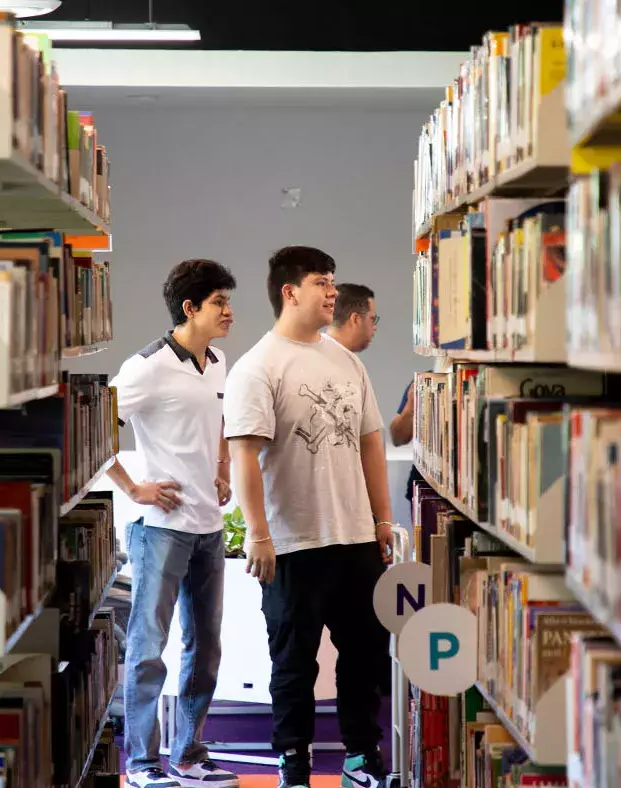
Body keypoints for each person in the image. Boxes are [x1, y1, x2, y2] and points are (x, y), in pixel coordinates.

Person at [223, 246, 396, 788]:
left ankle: (360, 759)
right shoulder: (259, 366)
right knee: (294, 666)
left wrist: (383, 520)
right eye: (322, 282)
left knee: (365, 657)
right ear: (289, 291)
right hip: (293, 544)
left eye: (333, 281)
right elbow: (243, 455)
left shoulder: (347, 359)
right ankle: (293, 766)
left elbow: (371, 441)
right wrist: (258, 534)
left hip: (356, 539)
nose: (331, 292)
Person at [108, 259, 241, 788]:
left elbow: (219, 420)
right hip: (159, 530)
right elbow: (95, 424)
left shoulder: (218, 361)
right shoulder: (146, 366)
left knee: (205, 649)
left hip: (209, 528)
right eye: (220, 303)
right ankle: (141, 764)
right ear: (190, 308)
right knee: (148, 649)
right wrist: (134, 487)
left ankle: (189, 755)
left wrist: (224, 467)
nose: (230, 312)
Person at [327, 283, 379, 353]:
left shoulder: (313, 354)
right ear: (355, 319)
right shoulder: (337, 362)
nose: (375, 328)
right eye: (372, 319)